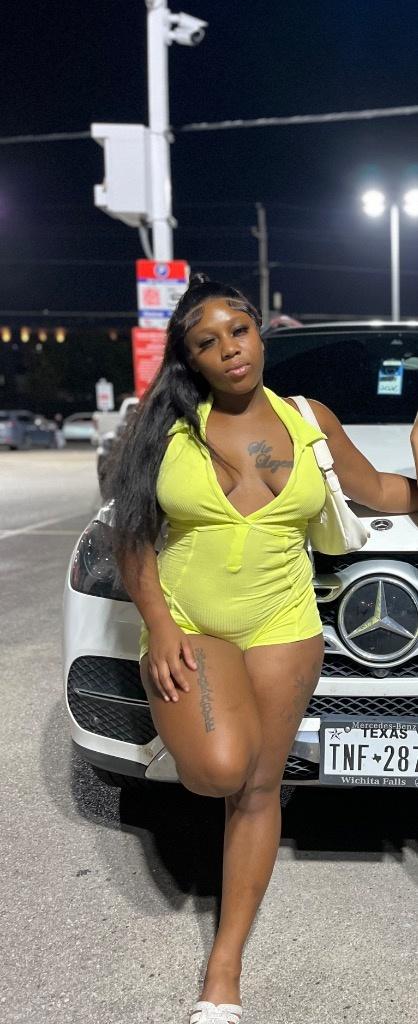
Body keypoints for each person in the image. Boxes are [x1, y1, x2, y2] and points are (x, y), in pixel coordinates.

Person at [105, 274, 418, 1024]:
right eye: (207, 342)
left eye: (238, 331)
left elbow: (378, 490)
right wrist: (161, 623)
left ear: (258, 331)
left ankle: (225, 968)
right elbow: (132, 533)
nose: (229, 350)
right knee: (218, 770)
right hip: (192, 622)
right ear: (191, 357)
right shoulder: (166, 425)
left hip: (285, 624)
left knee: (258, 790)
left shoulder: (309, 421)